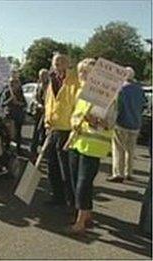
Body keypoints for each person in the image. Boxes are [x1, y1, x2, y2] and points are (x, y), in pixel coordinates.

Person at [67, 58, 116, 234]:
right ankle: (86, 214)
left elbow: (110, 123)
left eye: (88, 73)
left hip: (94, 146)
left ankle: (80, 223)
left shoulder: (106, 96)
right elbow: (74, 116)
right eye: (81, 72)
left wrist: (96, 121)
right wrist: (75, 122)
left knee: (83, 184)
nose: (84, 76)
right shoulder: (81, 94)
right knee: (75, 182)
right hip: (77, 143)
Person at [44, 53, 80, 207]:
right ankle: (57, 197)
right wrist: (47, 122)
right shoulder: (52, 80)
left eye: (60, 62)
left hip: (67, 129)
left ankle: (71, 202)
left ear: (68, 64)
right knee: (52, 166)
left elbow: (77, 104)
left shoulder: (74, 80)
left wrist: (74, 127)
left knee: (67, 170)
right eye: (55, 62)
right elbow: (48, 102)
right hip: (52, 128)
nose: (57, 65)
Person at [107, 67, 146, 182]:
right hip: (135, 123)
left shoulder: (121, 90)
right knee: (131, 149)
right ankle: (129, 172)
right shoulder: (139, 89)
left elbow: (117, 107)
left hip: (122, 123)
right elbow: (143, 104)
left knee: (119, 149)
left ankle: (118, 173)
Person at [0, 78, 27, 153]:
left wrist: (18, 103)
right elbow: (2, 104)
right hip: (9, 114)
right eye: (12, 83)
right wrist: (10, 99)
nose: (14, 84)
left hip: (18, 114)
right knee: (8, 132)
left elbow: (24, 104)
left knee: (18, 132)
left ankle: (18, 148)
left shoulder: (20, 93)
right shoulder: (7, 92)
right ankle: (8, 147)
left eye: (16, 83)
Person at [30, 68, 50, 157]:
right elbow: (34, 98)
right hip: (39, 111)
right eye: (41, 76)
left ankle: (45, 150)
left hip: (47, 112)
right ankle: (33, 150)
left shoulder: (51, 86)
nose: (42, 78)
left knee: (45, 131)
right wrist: (38, 104)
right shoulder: (38, 86)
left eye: (44, 76)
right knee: (36, 131)